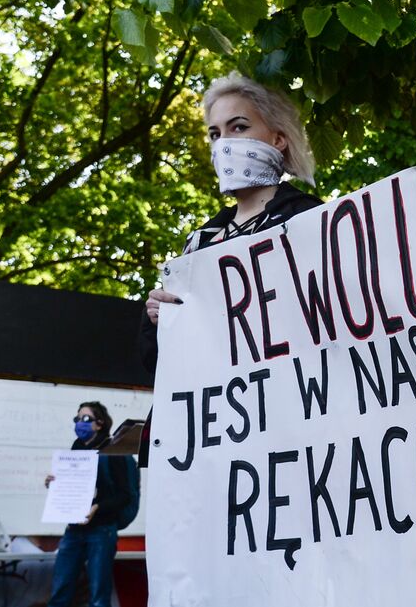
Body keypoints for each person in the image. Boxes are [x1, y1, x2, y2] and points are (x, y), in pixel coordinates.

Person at [137, 74, 322, 456]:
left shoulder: (312, 220)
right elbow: (159, 362)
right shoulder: (200, 242)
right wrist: (157, 318)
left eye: (238, 127)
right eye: (215, 134)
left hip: (292, 425)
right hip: (219, 436)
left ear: (278, 138)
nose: (224, 144)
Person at [43, 402, 130, 607]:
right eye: (77, 419)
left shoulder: (114, 451)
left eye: (85, 419)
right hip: (74, 528)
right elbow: (73, 484)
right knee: (60, 589)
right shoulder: (76, 447)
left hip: (101, 530)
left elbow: (124, 495)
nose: (79, 424)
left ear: (99, 424)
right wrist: (55, 484)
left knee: (99, 595)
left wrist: (97, 507)